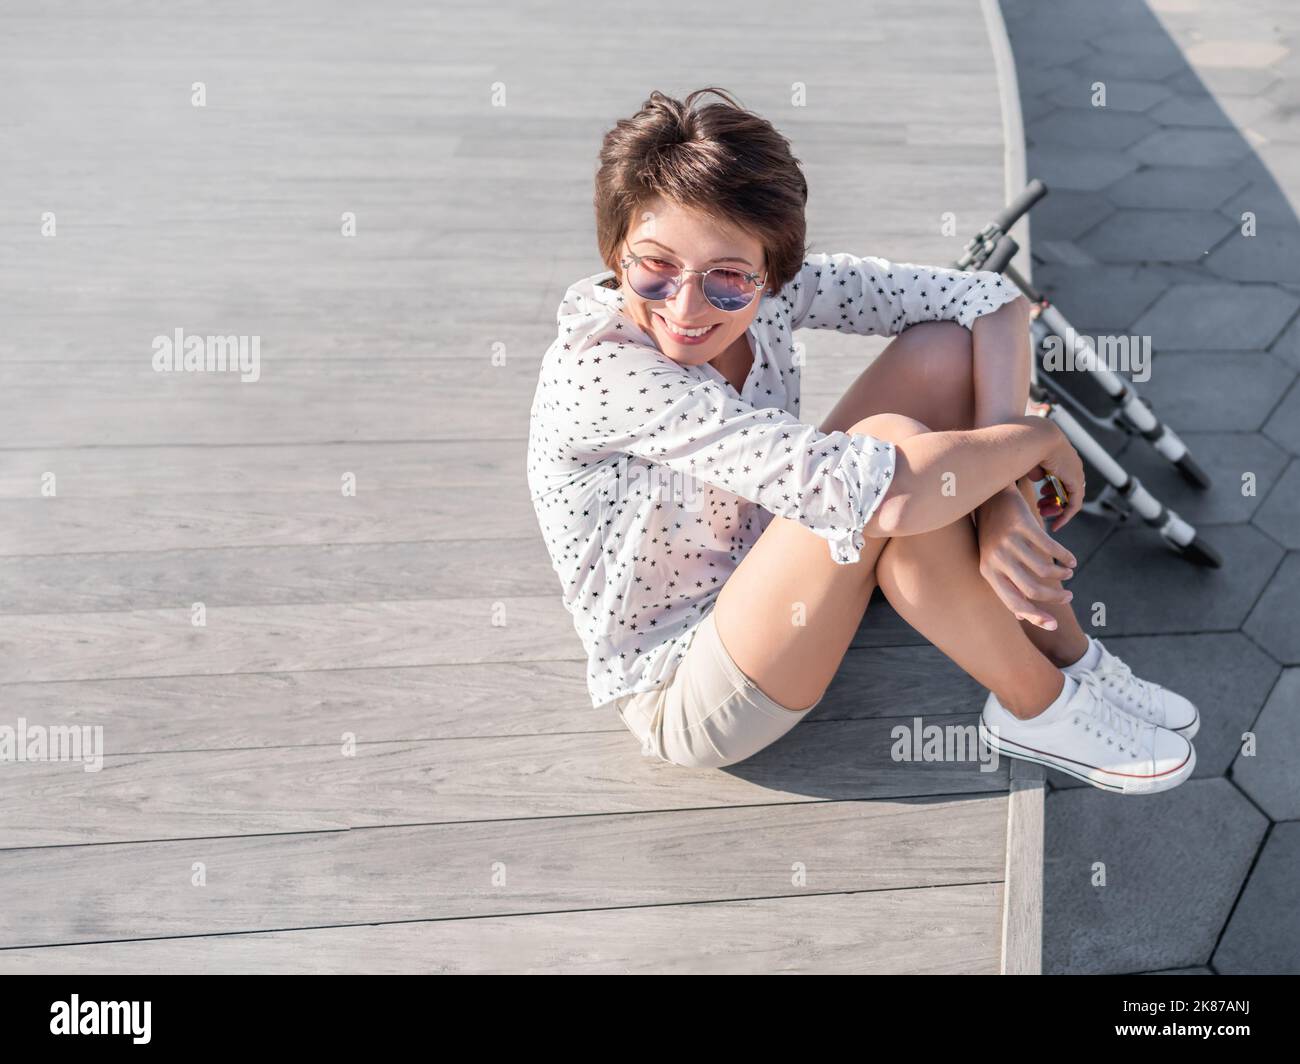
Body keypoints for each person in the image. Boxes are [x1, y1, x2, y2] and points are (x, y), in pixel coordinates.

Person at [526, 87, 1198, 793]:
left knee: (939, 354)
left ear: (771, 268)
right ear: (614, 248)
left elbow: (990, 301)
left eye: (727, 278)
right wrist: (1032, 436)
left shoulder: (772, 290)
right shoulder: (606, 370)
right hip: (695, 689)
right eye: (653, 267)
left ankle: (1074, 658)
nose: (687, 306)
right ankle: (1038, 706)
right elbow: (886, 488)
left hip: (778, 558)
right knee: (890, 462)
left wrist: (1002, 502)